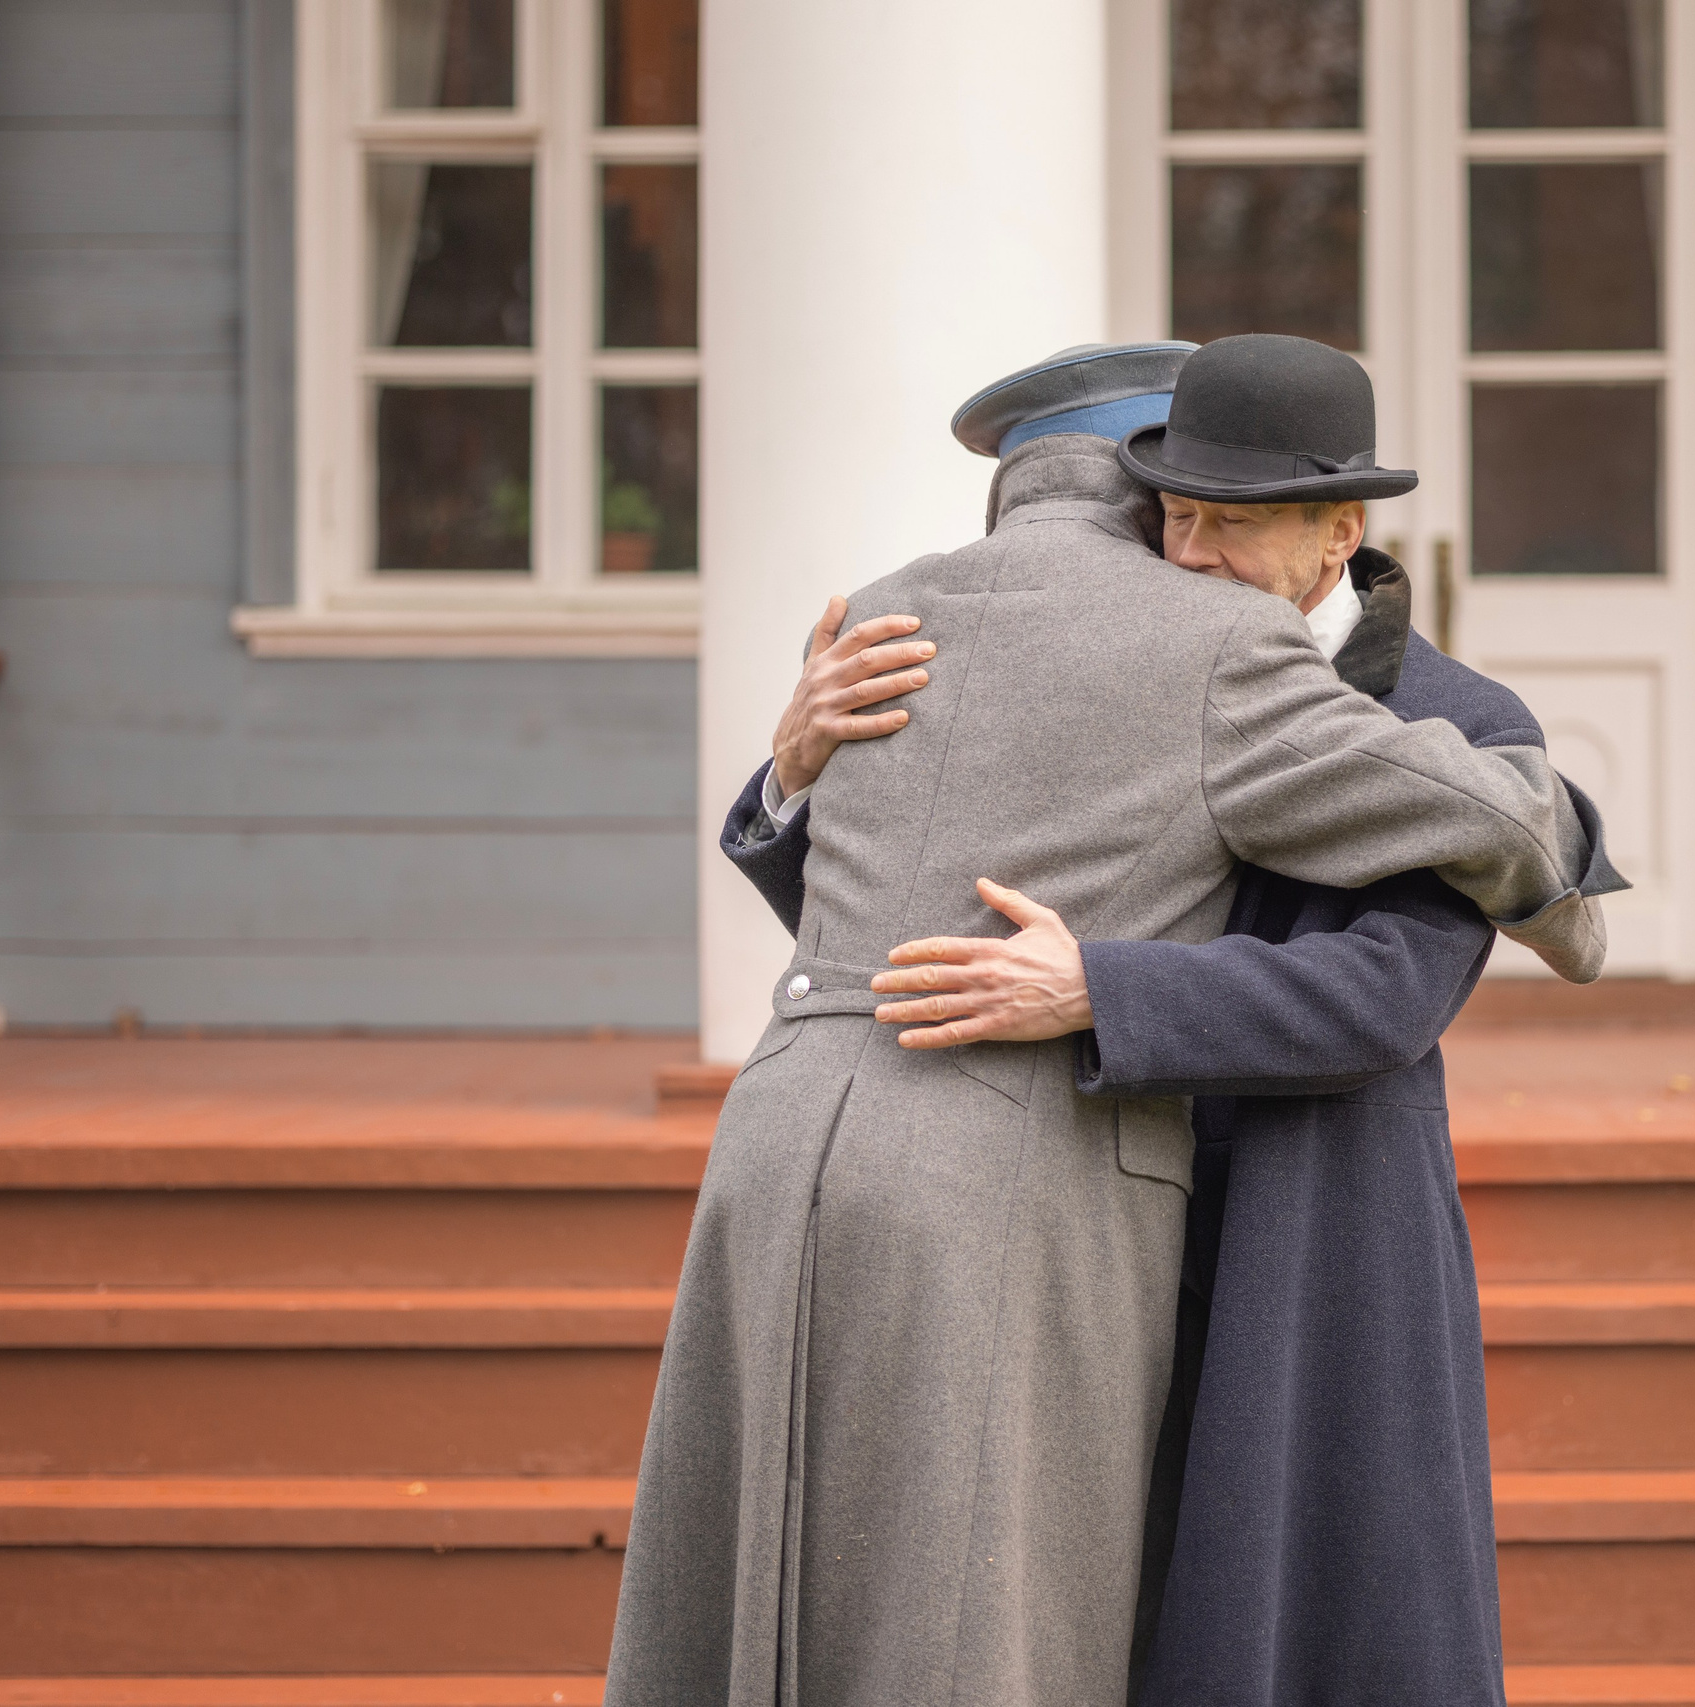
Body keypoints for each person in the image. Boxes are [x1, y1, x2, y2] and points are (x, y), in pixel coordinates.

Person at [606, 338, 1611, 1707]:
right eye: (1174, 515)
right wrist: (793, 774)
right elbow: (921, 914)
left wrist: (1103, 992)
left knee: (1223, 1635)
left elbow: (1386, 997)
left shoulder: (1455, 716)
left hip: (1292, 1230)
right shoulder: (1120, 633)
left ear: (1341, 533)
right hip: (1062, 1199)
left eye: (1234, 527)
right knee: (1009, 1617)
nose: (1192, 556)